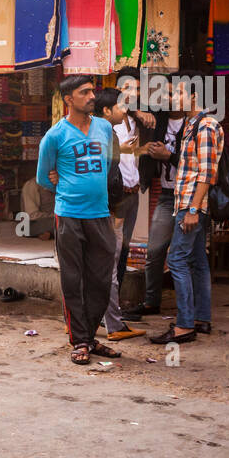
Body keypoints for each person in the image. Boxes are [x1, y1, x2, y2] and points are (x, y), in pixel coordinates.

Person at [36, 75, 119, 365]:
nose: (92, 96)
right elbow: (43, 177)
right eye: (84, 92)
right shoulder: (55, 136)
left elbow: (109, 165)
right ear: (69, 99)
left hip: (100, 214)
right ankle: (80, 340)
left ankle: (91, 335)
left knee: (100, 279)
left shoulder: (105, 128)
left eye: (92, 91)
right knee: (73, 279)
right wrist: (65, 185)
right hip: (69, 215)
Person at [151, 86, 223, 345]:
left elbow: (206, 173)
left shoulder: (205, 126)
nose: (171, 99)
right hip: (188, 202)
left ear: (194, 96)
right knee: (197, 260)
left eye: (177, 94)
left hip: (191, 204)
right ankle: (200, 319)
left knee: (177, 259)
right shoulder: (193, 126)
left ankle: (183, 326)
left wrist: (192, 209)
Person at [122, 74, 190, 321]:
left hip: (191, 197)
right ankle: (152, 302)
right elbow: (119, 104)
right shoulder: (158, 118)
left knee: (185, 256)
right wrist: (139, 112)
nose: (171, 98)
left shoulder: (193, 124)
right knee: (154, 251)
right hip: (166, 196)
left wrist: (168, 156)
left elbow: (198, 165)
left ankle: (188, 313)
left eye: (176, 93)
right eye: (167, 93)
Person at [94, 87, 145, 342]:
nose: (125, 109)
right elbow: (109, 175)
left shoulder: (96, 131)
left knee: (104, 264)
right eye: (120, 105)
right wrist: (115, 209)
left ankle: (86, 322)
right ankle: (112, 324)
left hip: (103, 206)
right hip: (108, 207)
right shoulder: (104, 134)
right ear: (106, 110)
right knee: (109, 266)